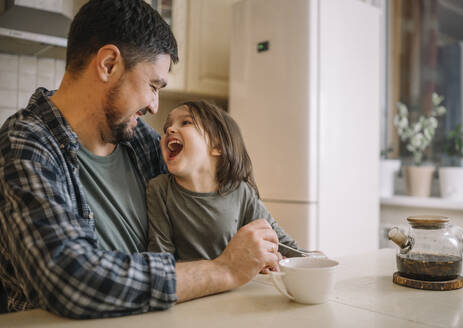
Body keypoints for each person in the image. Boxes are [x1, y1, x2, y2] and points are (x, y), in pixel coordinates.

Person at [0, 0, 281, 319]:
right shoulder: (27, 143)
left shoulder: (142, 142)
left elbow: (211, 202)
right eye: (153, 86)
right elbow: (69, 278)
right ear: (108, 64)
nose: (154, 106)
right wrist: (223, 270)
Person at [147, 101, 301, 263]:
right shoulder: (159, 189)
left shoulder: (240, 191)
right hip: (189, 285)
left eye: (186, 122)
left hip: (240, 285)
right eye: (166, 128)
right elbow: (160, 257)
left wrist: (311, 259)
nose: (169, 129)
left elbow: (281, 242)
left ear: (217, 146)